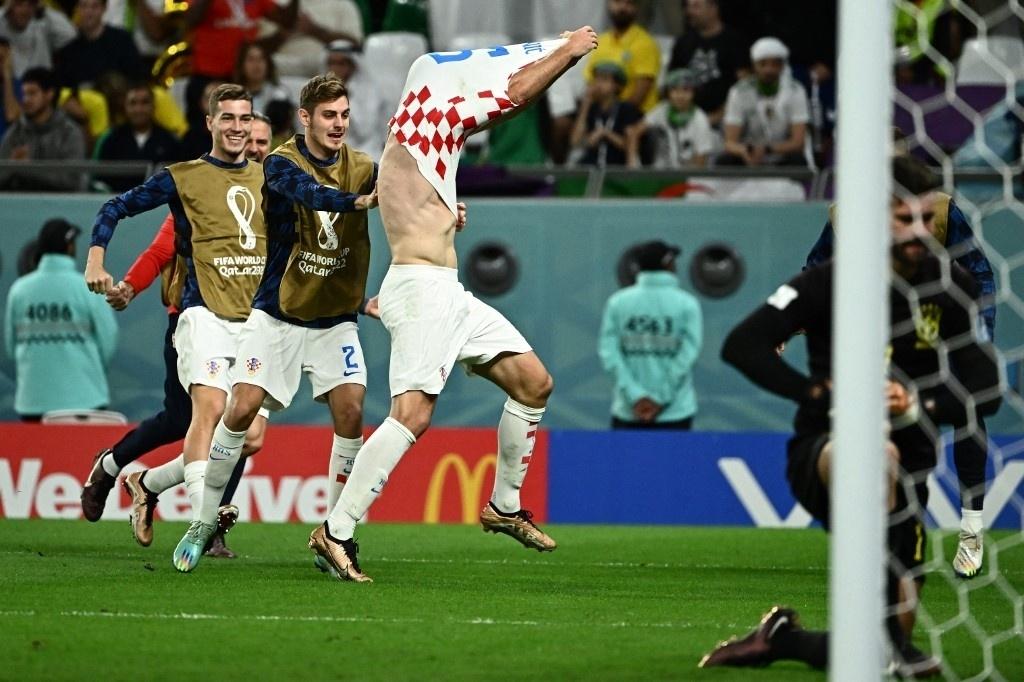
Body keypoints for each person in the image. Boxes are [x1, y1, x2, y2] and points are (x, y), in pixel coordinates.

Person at [308, 28, 600, 583]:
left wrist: (446, 213)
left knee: (533, 383)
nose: (466, 93)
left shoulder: (419, 143)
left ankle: (504, 506)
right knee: (412, 415)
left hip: (443, 290)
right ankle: (336, 530)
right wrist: (565, 53)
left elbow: (418, 203)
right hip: (422, 290)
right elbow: (512, 97)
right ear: (436, 91)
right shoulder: (425, 127)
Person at [707, 156, 1002, 676]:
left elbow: (987, 387)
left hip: (911, 476)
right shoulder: (827, 282)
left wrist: (919, 405)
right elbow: (741, 344)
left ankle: (783, 640)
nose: (917, 231)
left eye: (923, 218)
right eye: (900, 217)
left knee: (877, 649)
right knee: (875, 452)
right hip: (825, 450)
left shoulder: (947, 285)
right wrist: (817, 394)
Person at [170, 73, 378, 573]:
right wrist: (355, 202)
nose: (338, 124)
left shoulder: (366, 167)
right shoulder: (280, 164)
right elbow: (310, 193)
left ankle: (336, 535)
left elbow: (407, 186)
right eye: (329, 115)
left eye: (345, 115)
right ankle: (202, 521)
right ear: (305, 117)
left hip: (333, 319)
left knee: (351, 411)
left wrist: (444, 210)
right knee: (240, 409)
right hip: (277, 314)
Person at [84, 84, 269, 567]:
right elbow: (116, 209)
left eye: (244, 119)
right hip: (200, 314)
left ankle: (145, 483)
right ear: (209, 122)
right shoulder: (184, 178)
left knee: (245, 437)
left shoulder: (271, 180)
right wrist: (99, 261)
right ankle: (202, 524)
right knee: (203, 414)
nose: (236, 127)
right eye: (226, 118)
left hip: (255, 323)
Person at [805, 146, 997, 581]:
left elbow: (980, 272)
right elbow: (815, 269)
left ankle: (971, 529)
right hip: (880, 335)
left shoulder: (942, 212)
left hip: (940, 328)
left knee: (966, 415)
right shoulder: (847, 213)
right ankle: (885, 535)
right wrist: (793, 322)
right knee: (880, 430)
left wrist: (978, 327)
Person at [4, 219, 118, 420]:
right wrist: (90, 369)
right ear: (70, 246)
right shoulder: (88, 287)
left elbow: (10, 346)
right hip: (86, 400)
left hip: (32, 402)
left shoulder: (19, 290)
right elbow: (109, 338)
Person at [598, 240, 702, 429]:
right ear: (669, 264)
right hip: (675, 412)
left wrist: (635, 396)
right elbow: (687, 356)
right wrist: (659, 398)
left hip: (628, 411)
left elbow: (610, 355)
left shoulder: (617, 303)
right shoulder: (687, 304)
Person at [719, 37, 811, 168]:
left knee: (798, 160)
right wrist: (745, 151)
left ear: (783, 66)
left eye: (775, 64)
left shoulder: (796, 91)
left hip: (781, 154)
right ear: (754, 65)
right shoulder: (739, 91)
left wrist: (768, 150)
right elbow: (729, 142)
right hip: (747, 154)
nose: (769, 70)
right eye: (763, 64)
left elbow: (798, 142)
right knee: (724, 161)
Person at [0, 66, 85, 190]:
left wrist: (28, 169)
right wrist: (11, 167)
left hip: (60, 206)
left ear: (49, 94)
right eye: (24, 94)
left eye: (32, 93)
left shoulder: (69, 133)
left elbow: (72, 181)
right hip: (21, 204)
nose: (26, 100)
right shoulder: (15, 132)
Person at [667, 0, 748, 127]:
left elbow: (744, 85)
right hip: (686, 116)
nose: (690, 11)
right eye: (688, 6)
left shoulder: (733, 41)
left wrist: (718, 116)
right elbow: (671, 81)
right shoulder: (682, 42)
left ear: (713, 8)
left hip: (725, 118)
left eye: (696, 6)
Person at [96, 82, 182, 191]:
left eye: (144, 103)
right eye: (133, 103)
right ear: (125, 107)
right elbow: (100, 182)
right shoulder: (111, 140)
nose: (139, 109)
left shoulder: (169, 141)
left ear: (153, 106)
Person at [627, 68, 714, 168]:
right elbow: (634, 132)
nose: (680, 95)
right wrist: (633, 163)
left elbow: (701, 159)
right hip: (662, 173)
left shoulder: (700, 119)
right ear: (668, 93)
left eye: (686, 90)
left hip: (688, 175)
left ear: (694, 93)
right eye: (675, 90)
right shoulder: (662, 109)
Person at [583, 0, 660, 113]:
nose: (623, 7)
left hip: (634, 116)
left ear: (636, 8)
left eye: (629, 2)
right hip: (600, 113)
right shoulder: (601, 41)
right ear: (609, 4)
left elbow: (639, 95)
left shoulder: (645, 43)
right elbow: (591, 86)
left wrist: (612, 118)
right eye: (617, 1)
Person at [53, 0, 144, 91]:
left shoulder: (122, 41)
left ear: (104, 8)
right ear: (77, 9)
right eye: (84, 6)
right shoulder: (68, 51)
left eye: (95, 6)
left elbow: (136, 79)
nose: (89, 12)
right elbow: (63, 90)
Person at [571, 61, 642, 167]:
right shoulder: (591, 108)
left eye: (604, 80)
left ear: (617, 86)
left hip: (616, 167)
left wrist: (606, 134)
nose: (598, 84)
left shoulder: (626, 109)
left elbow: (630, 145)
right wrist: (585, 106)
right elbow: (575, 141)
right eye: (596, 79)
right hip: (590, 166)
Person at [324, 39, 387, 157]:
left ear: (353, 65)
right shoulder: (322, 89)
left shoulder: (370, 90)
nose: (335, 68)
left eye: (341, 63)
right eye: (331, 63)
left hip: (365, 147)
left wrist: (347, 100)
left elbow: (365, 131)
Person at [0, 0, 75, 78]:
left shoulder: (43, 23)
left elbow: (71, 34)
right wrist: (4, 9)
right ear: (9, 8)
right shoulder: (2, 23)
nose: (24, 11)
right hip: (9, 85)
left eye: (30, 5)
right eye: (19, 4)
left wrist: (45, 10)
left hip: (41, 85)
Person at [232, 42, 291, 116]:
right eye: (251, 59)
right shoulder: (233, 97)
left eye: (261, 59)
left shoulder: (279, 94)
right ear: (241, 65)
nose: (256, 64)